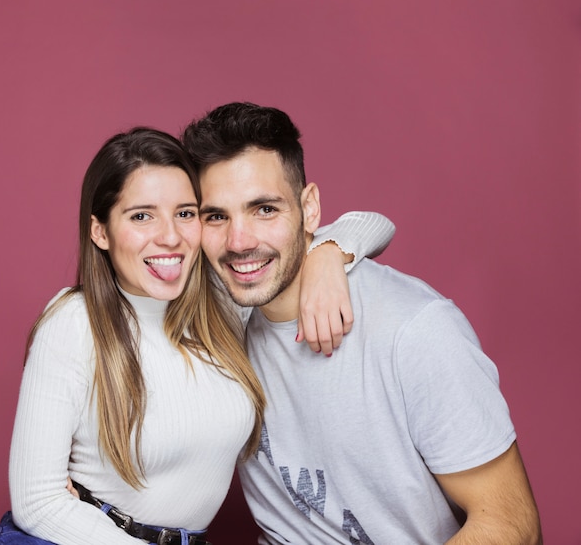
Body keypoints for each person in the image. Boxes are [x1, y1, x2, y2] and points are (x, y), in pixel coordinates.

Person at [0, 127, 394, 545]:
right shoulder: (75, 323)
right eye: (141, 216)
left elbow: (375, 224)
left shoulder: (223, 302)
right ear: (100, 232)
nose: (170, 236)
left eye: (185, 213)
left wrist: (328, 256)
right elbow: (37, 501)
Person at [181, 102, 543, 545]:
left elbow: (511, 526)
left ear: (309, 208)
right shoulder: (216, 321)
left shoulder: (414, 330)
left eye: (265, 210)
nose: (239, 242)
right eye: (216, 216)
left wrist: (331, 249)